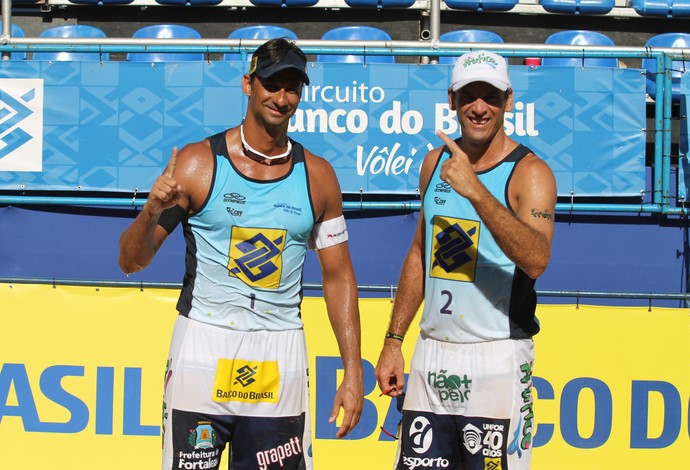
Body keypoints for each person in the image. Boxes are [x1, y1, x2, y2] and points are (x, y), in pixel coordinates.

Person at [118, 38, 363, 470]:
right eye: (272, 84)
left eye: (292, 88)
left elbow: (339, 277)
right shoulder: (198, 164)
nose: (281, 98)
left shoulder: (319, 176)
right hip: (204, 346)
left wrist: (353, 370)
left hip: (279, 351)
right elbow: (130, 262)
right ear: (248, 84)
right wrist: (149, 211)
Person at [375, 51, 556, 470]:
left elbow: (536, 259)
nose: (479, 107)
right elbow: (421, 252)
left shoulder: (530, 172)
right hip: (432, 355)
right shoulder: (434, 164)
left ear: (508, 100)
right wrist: (394, 340)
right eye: (468, 95)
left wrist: (476, 191)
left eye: (489, 96)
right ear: (452, 100)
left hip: (497, 356)